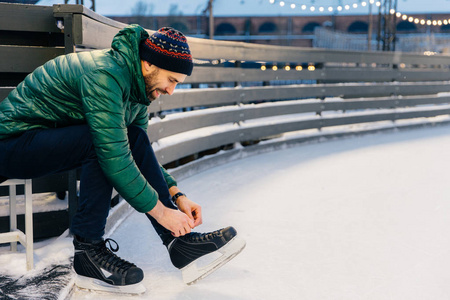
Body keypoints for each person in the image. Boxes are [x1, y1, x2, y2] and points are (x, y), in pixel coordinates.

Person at [0, 25, 245, 294]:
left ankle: (179, 245)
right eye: (171, 80)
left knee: (131, 139)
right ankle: (88, 253)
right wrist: (163, 214)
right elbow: (114, 155)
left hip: (44, 141)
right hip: (11, 144)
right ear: (149, 64)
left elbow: (138, 151)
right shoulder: (105, 75)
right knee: (101, 145)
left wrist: (176, 195)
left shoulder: (138, 90)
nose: (171, 90)